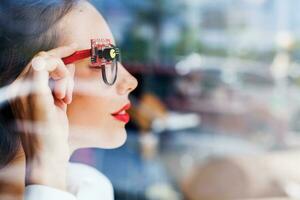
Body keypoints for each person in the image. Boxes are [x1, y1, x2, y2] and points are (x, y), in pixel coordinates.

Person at [0, 0, 138, 199]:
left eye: (116, 58)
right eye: (103, 60)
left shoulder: (91, 188)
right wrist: (45, 175)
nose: (131, 81)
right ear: (35, 80)